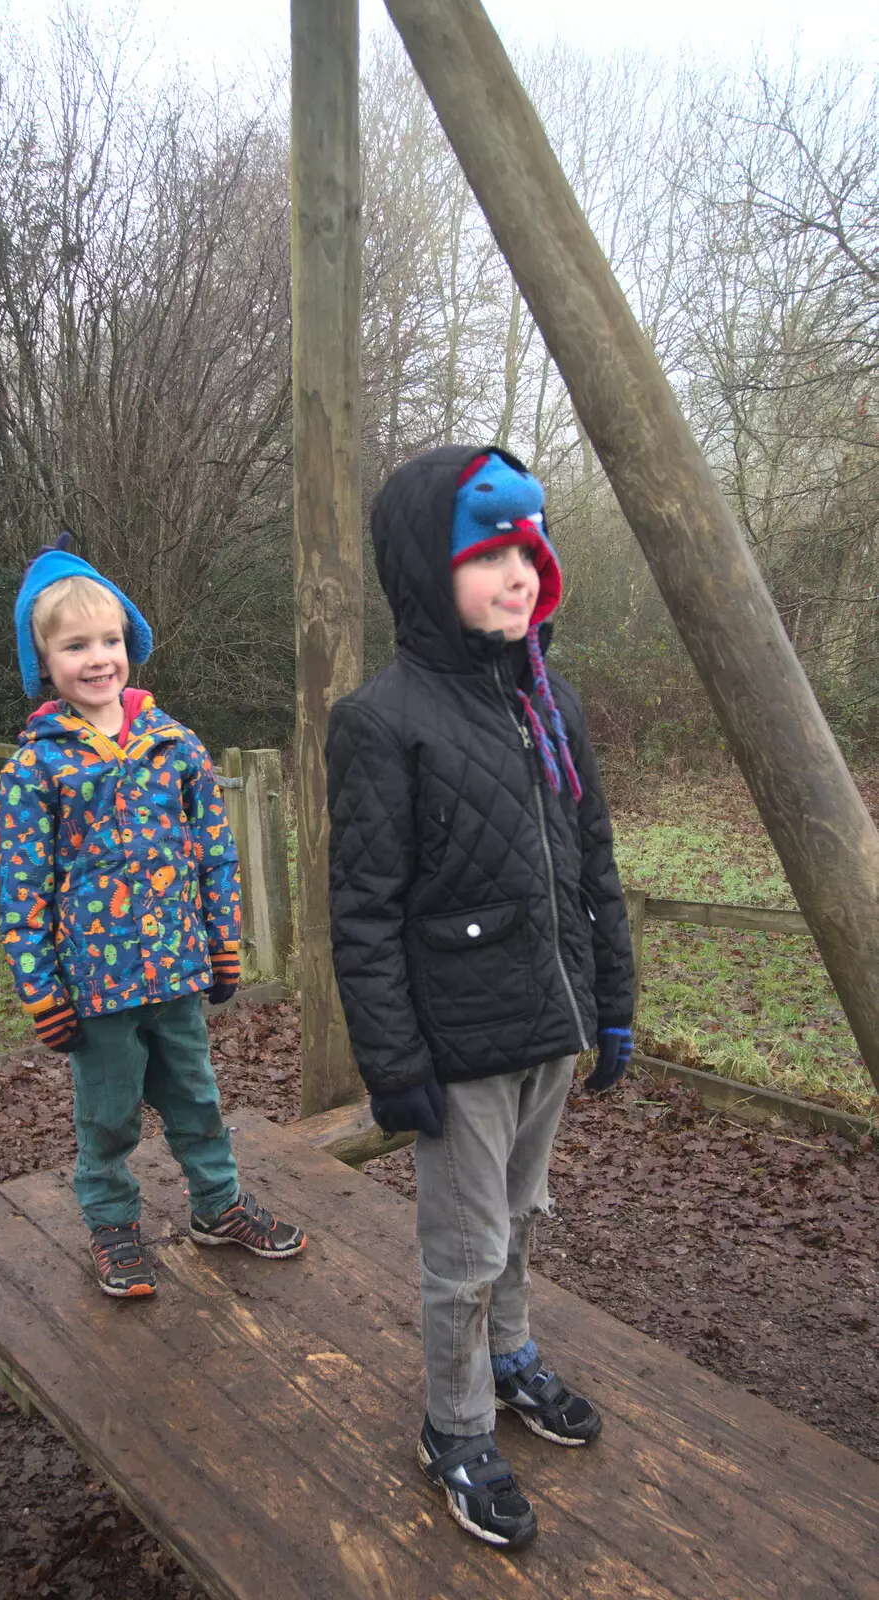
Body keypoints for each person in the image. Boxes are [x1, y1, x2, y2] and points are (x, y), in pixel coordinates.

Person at [326, 448, 634, 1548]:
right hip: (456, 1047)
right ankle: (451, 1425)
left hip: (547, 1028)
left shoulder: (550, 702)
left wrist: (611, 1000)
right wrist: (394, 1064)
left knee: (518, 1219)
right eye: (489, 552)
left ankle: (509, 1362)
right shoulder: (383, 719)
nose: (519, 571)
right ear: (425, 566)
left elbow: (591, 861)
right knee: (459, 1252)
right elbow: (362, 910)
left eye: (528, 548)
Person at [0, 534, 305, 1298]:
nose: (98, 658)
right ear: (45, 663)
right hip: (94, 988)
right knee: (108, 1119)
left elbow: (214, 851)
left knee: (198, 1098)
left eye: (109, 640)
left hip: (177, 970)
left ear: (128, 642)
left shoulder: (175, 746)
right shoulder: (36, 767)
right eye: (75, 646)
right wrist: (41, 988)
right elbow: (20, 887)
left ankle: (218, 1206)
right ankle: (112, 1226)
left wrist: (223, 939)